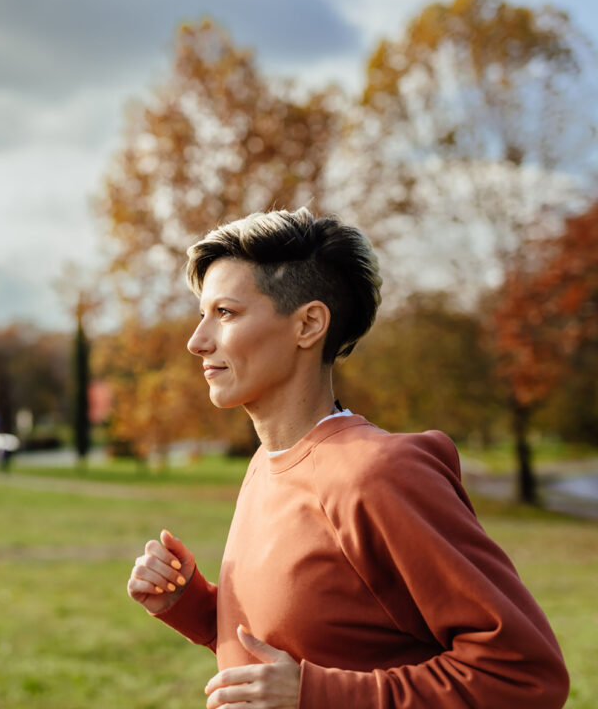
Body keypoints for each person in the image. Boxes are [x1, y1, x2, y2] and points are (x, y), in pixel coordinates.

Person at [127, 207, 570, 709]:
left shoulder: (378, 475)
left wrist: (318, 695)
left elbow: (524, 675)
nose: (197, 340)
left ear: (309, 324)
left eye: (225, 313)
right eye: (201, 313)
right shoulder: (265, 465)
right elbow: (309, 645)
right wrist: (191, 606)